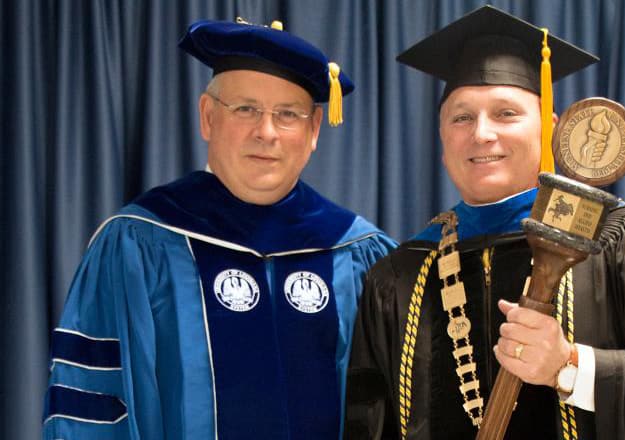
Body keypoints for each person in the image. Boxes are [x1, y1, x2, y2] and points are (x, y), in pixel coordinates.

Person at [345, 6, 625, 440]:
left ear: (551, 129)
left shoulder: (618, 239)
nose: (482, 133)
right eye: (461, 117)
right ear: (443, 138)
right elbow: (368, 424)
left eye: (506, 113)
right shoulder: (400, 274)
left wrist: (572, 367)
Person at [42, 18, 395, 440]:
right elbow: (92, 416)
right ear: (208, 117)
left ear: (314, 130)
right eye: (245, 109)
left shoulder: (358, 252)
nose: (266, 132)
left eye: (288, 115)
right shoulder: (138, 244)